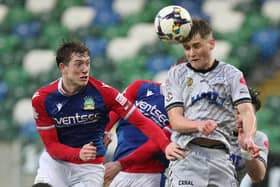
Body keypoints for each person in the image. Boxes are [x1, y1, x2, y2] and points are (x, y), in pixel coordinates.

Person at [31, 41, 185, 187]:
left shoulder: (104, 92)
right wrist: (86, 147)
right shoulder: (42, 99)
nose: (85, 69)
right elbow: (52, 146)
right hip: (58, 161)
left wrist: (166, 145)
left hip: (96, 167)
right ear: (63, 67)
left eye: (87, 63)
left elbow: (142, 122)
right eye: (79, 64)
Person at [164, 18, 260, 186]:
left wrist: (249, 137)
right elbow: (175, 120)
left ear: (211, 43)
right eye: (187, 48)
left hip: (221, 156)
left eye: (196, 46)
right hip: (188, 155)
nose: (191, 53)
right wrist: (198, 125)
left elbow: (246, 111)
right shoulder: (176, 74)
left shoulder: (232, 74)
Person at [103, 80, 178, 187]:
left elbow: (158, 144)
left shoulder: (182, 110)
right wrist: (103, 132)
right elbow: (116, 110)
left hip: (150, 175)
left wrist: (121, 164)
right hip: (118, 168)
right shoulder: (140, 86)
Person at [231, 87, 269, 185]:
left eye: (249, 115)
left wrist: (247, 151)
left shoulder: (257, 138)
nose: (242, 119)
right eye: (238, 112)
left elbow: (258, 176)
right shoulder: (207, 128)